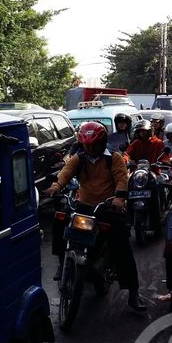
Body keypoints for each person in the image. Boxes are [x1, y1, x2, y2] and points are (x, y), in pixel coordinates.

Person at [42, 122, 145, 312]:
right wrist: (55, 187)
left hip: (107, 207)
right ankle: (62, 261)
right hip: (84, 205)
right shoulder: (79, 158)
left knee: (122, 244)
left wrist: (119, 199)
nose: (89, 149)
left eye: (93, 145)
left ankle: (133, 292)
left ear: (102, 143)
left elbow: (121, 179)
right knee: (60, 218)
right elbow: (65, 173)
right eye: (86, 145)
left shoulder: (113, 158)